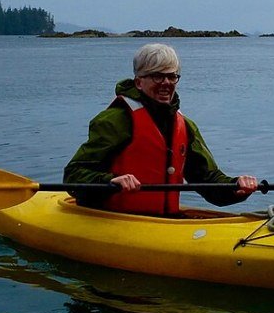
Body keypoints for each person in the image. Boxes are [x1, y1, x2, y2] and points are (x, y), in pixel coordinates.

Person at [64, 43, 259, 216]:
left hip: (164, 221)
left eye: (171, 76)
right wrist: (111, 181)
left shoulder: (185, 125)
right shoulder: (115, 121)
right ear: (139, 82)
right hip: (115, 218)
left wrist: (236, 187)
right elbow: (73, 175)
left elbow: (207, 179)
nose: (166, 83)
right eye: (157, 76)